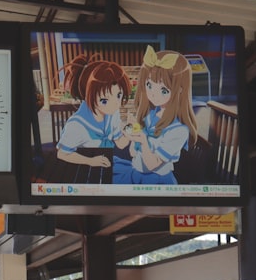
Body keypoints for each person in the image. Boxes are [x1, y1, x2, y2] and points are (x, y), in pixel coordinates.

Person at [113, 45, 198, 185]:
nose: (152, 93)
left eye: (163, 90)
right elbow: (133, 154)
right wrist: (133, 133)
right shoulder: (151, 114)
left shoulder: (179, 131)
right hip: (136, 173)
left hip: (157, 182)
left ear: (180, 90)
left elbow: (152, 165)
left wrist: (142, 140)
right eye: (149, 85)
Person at [55, 53, 132, 169]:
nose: (116, 103)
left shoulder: (112, 113)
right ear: (88, 96)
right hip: (86, 171)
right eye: (104, 100)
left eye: (118, 95)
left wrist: (131, 128)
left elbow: (120, 143)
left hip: (111, 163)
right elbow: (62, 154)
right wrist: (90, 161)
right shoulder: (76, 125)